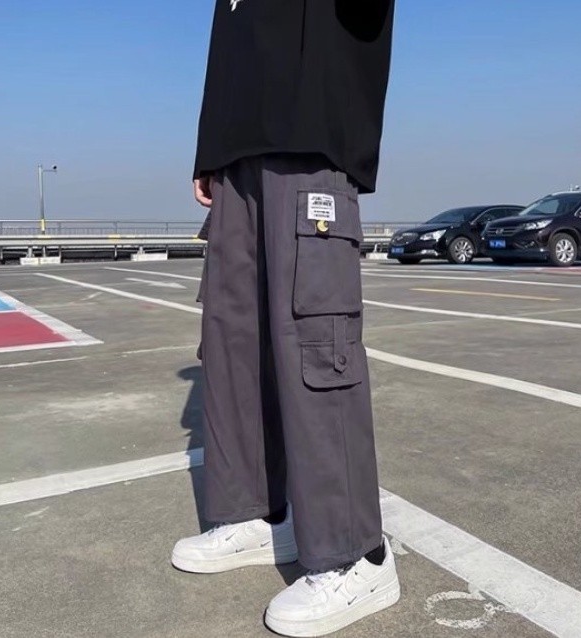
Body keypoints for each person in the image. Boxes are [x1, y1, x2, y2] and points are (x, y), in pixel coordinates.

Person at [172, 2, 399, 635]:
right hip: (236, 151)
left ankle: (357, 555)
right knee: (233, 340)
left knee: (315, 337)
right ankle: (256, 512)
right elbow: (229, 35)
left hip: (309, 131)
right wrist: (210, 147)